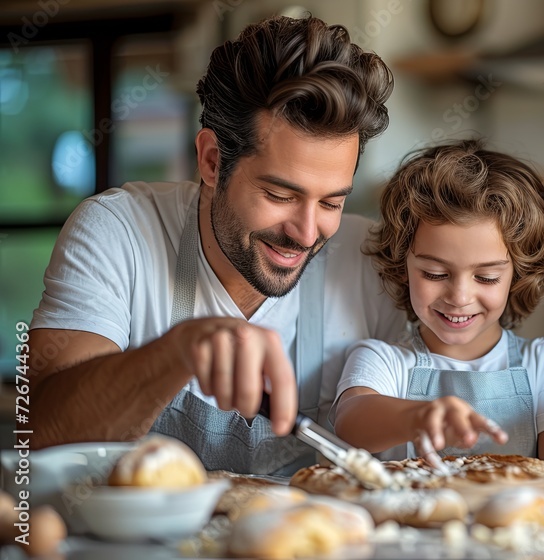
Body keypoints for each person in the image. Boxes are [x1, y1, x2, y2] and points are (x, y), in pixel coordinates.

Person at [28, 15, 405, 475]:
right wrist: (177, 352)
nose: (307, 234)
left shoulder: (372, 259)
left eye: (330, 202)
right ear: (211, 161)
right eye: (280, 195)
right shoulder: (116, 231)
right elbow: (42, 431)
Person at [333, 140, 544, 464]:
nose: (459, 297)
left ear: (519, 276)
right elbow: (351, 422)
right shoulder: (384, 361)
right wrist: (418, 417)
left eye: (487, 277)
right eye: (435, 274)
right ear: (402, 265)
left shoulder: (540, 363)